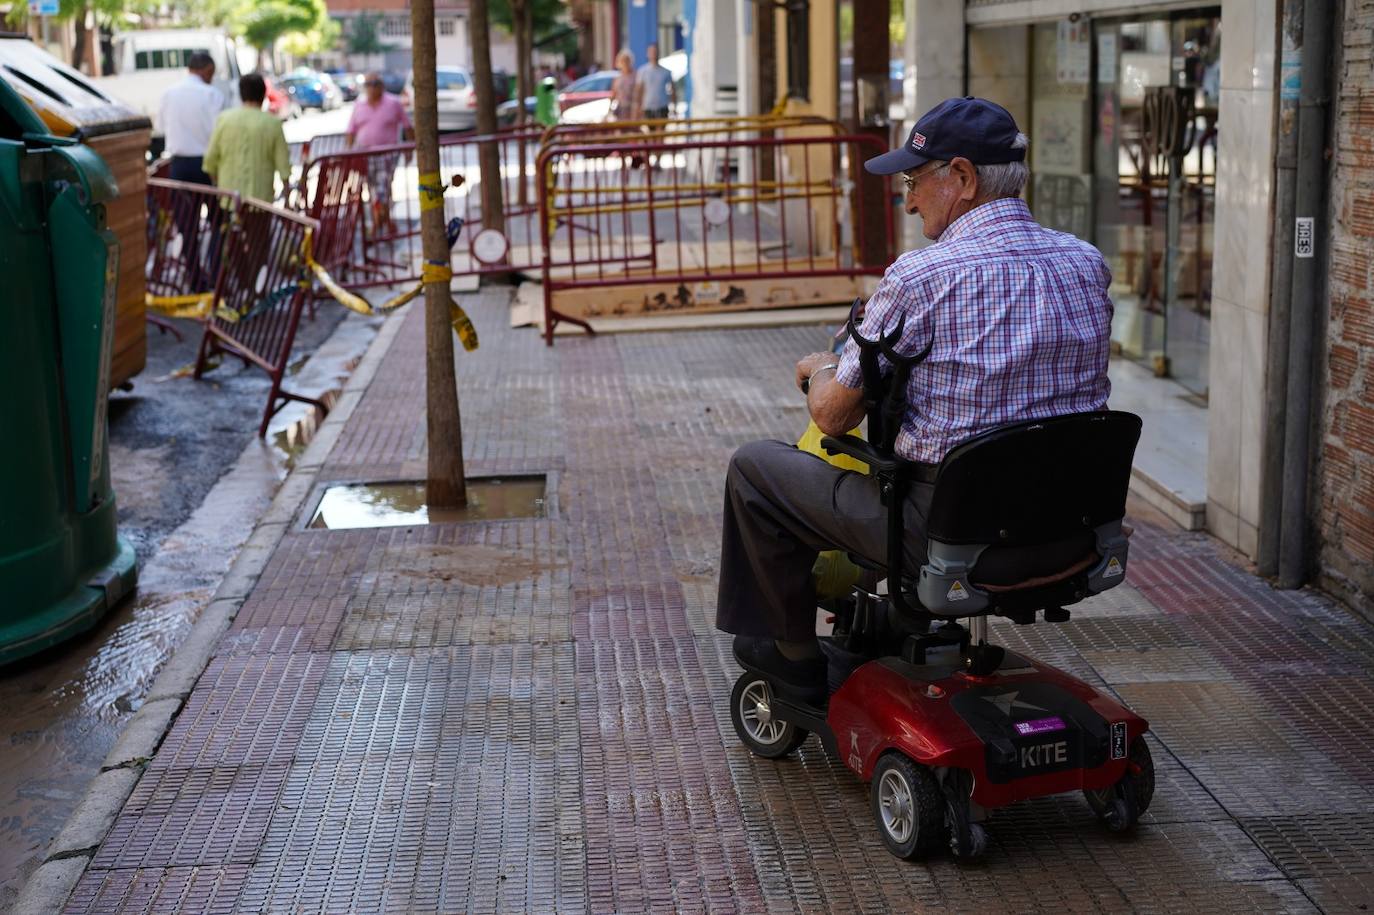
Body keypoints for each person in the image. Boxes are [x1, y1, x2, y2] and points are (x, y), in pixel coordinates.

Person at [715, 98, 1115, 701]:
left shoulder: (921, 277)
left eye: (913, 181)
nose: (907, 200)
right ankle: (899, 625)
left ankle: (792, 660)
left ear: (962, 176)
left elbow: (832, 413)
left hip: (943, 532)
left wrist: (824, 366)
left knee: (756, 469)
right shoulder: (1087, 263)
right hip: (1070, 528)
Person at [203, 73, 290, 202]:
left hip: (229, 199)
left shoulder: (224, 119)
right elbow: (284, 167)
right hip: (261, 201)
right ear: (263, 94)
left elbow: (209, 161)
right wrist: (288, 199)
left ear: (241, 94)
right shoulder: (273, 124)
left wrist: (219, 184)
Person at [346, 72, 414, 238]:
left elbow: (408, 127)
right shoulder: (359, 106)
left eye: (375, 84)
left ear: (381, 86)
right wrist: (348, 154)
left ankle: (377, 225)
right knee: (373, 191)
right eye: (368, 84)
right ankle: (387, 221)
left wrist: (409, 149)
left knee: (382, 190)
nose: (371, 88)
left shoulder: (393, 103)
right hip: (365, 155)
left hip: (387, 155)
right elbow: (351, 132)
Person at [160, 51, 224, 185]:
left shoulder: (168, 93)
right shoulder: (212, 94)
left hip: (178, 164)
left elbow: (161, 126)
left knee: (183, 206)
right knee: (213, 204)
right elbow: (219, 132)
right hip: (206, 163)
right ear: (208, 70)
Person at [632, 43, 675, 120]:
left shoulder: (666, 72)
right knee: (651, 131)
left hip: (663, 106)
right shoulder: (643, 71)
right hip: (648, 107)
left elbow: (672, 90)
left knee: (662, 131)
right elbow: (639, 90)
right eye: (651, 52)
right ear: (647, 54)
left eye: (655, 51)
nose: (653, 54)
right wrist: (637, 107)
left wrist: (674, 106)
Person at [609, 49, 636, 121]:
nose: (625, 63)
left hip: (632, 108)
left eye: (627, 61)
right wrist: (609, 110)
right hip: (620, 108)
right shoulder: (618, 78)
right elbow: (613, 94)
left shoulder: (635, 76)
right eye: (623, 61)